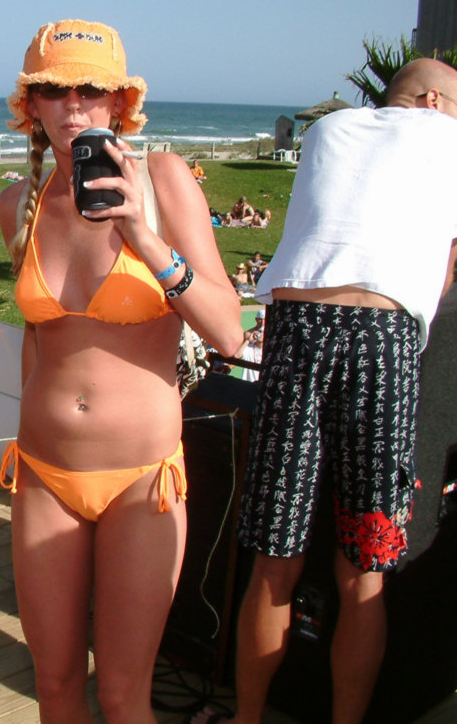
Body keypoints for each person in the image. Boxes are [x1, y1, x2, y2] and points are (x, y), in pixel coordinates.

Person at [194, 58, 457, 724]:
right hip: (382, 335)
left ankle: (246, 718)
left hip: (297, 327)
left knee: (274, 559)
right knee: (365, 568)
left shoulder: (327, 131)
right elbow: (443, 270)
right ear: (434, 101)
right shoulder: (447, 136)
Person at [0, 19, 242, 723]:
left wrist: (144, 237)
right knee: (54, 687)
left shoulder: (162, 181)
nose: (73, 104)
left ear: (119, 102)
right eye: (53, 89)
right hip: (44, 473)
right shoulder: (18, 203)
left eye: (91, 89)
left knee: (125, 694)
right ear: (31, 105)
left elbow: (227, 329)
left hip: (142, 481)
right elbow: (41, 336)